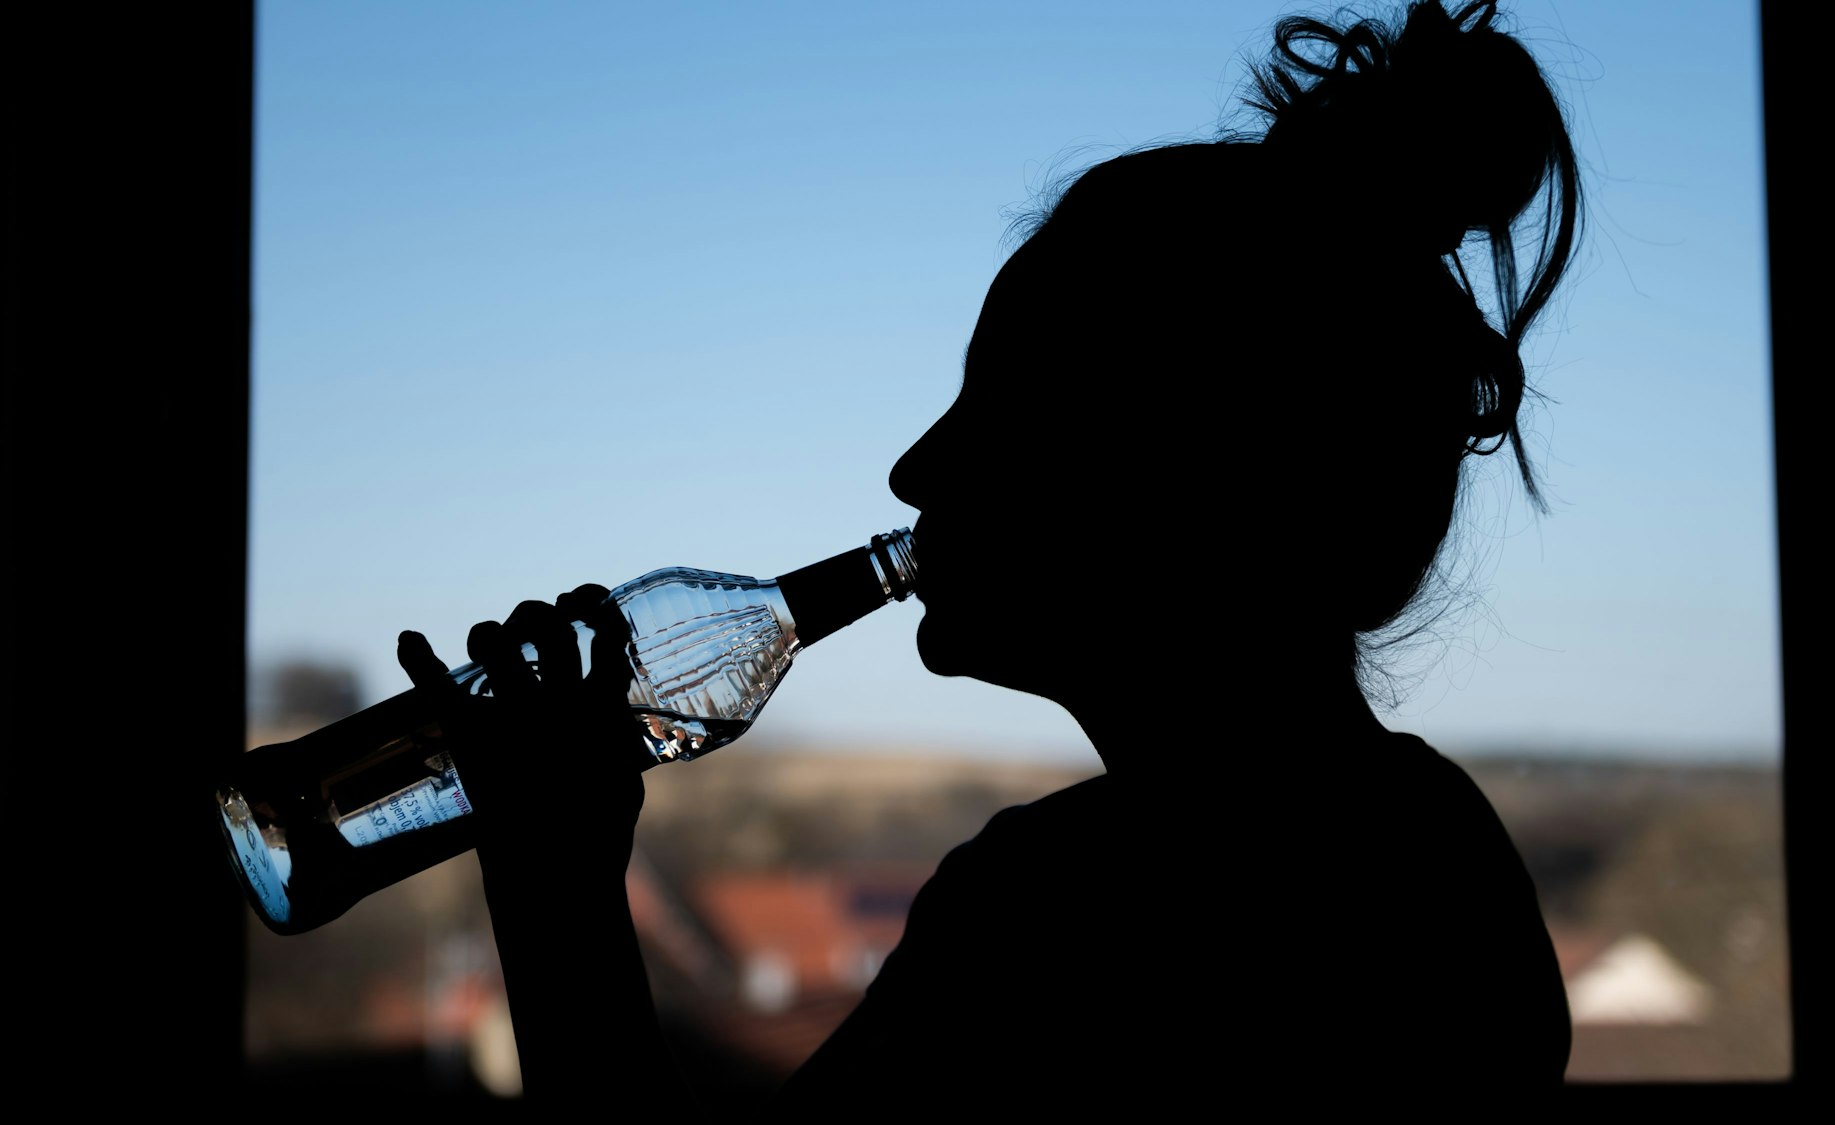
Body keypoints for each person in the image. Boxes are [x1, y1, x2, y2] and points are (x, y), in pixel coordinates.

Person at [397, 0, 1582, 1108]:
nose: (915, 471)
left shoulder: (1064, 914)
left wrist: (553, 897)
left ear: (1179, 477)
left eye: (997, 409)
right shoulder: (1433, 856)